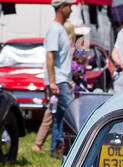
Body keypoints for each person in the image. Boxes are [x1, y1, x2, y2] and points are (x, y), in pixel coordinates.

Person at [34, 0, 74, 155]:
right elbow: (50, 57)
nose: (71, 9)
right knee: (72, 112)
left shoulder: (60, 29)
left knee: (59, 115)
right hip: (58, 81)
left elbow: (61, 59)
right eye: (69, 6)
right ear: (62, 8)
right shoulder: (55, 30)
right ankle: (76, 145)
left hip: (62, 79)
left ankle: (56, 148)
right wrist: (52, 81)